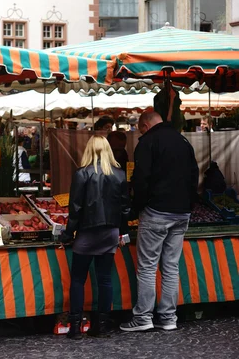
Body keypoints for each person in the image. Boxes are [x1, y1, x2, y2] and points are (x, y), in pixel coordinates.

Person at [120, 112, 199, 332]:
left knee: (147, 267)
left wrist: (137, 208)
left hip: (156, 212)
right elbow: (195, 175)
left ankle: (144, 317)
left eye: (139, 130)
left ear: (145, 126)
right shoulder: (183, 141)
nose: (139, 134)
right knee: (171, 267)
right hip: (181, 213)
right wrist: (189, 205)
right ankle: (168, 317)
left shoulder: (148, 142)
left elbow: (141, 179)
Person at [59, 136, 130, 339]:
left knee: (78, 279)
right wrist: (122, 232)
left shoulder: (82, 174)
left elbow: (75, 208)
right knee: (105, 279)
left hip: (87, 233)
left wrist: (67, 233)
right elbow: (125, 208)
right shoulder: (119, 174)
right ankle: (102, 327)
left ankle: (75, 328)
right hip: (110, 233)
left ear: (89, 151)